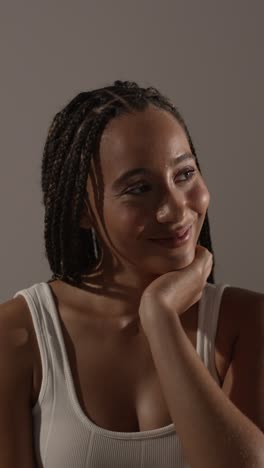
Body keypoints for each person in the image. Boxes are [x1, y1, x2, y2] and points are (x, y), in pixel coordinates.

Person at [1, 80, 263, 468]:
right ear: (82, 211)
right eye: (139, 188)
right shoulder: (16, 335)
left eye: (184, 174)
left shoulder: (247, 323)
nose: (175, 211)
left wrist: (159, 317)